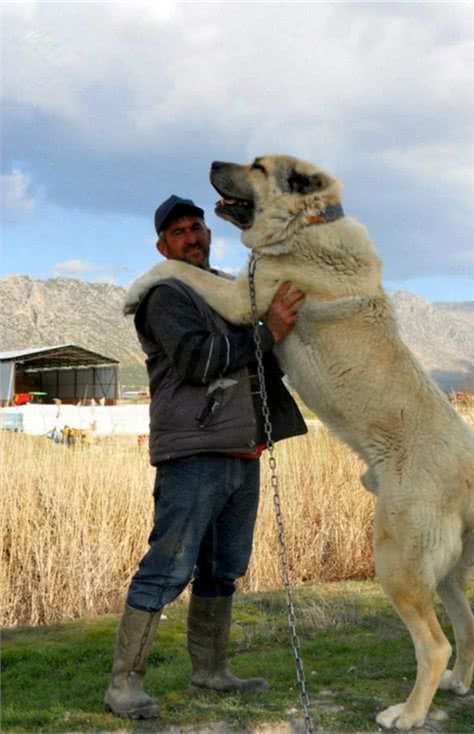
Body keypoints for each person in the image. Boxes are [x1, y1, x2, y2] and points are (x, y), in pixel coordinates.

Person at [104, 195, 307, 719]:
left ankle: (211, 672)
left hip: (242, 448)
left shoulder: (223, 290)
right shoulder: (166, 295)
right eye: (179, 232)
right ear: (162, 246)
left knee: (224, 569)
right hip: (193, 452)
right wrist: (267, 333)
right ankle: (124, 684)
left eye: (197, 227)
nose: (193, 236)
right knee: (167, 568)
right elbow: (199, 359)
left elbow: (261, 354)